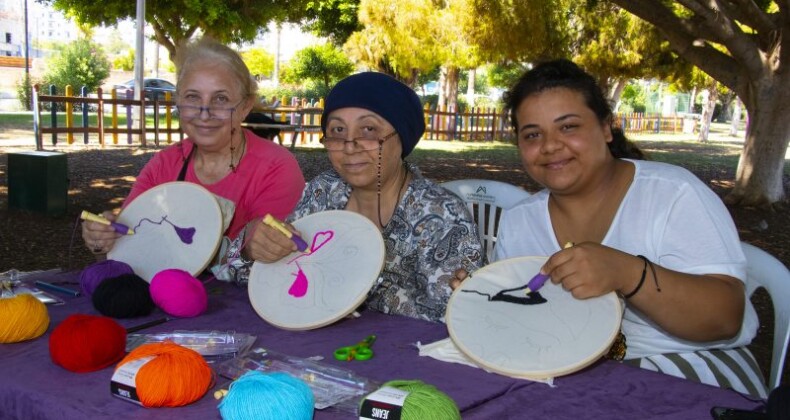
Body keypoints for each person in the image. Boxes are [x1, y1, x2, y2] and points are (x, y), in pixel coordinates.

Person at [453, 59, 766, 398]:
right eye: (532, 134)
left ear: (606, 128)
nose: (550, 145)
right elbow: (531, 315)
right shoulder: (520, 221)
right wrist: (485, 300)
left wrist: (629, 273)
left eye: (568, 127)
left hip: (697, 365)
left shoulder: (672, 194)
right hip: (568, 367)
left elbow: (725, 319)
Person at [227, 72, 484, 322]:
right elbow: (258, 276)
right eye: (337, 130)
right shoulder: (324, 192)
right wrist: (253, 247)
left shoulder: (442, 215)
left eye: (369, 129)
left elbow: (457, 313)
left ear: (401, 137)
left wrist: (355, 287)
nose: (349, 145)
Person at [82, 37, 305, 258]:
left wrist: (261, 244)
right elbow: (129, 242)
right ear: (178, 101)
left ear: (245, 106)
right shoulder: (164, 164)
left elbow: (284, 259)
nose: (204, 112)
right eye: (192, 97)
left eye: (220, 98)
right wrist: (104, 238)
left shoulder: (276, 167)